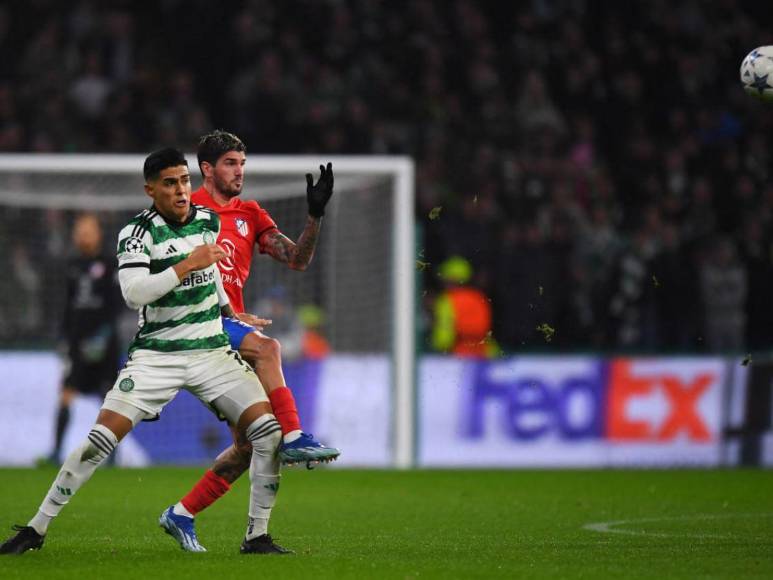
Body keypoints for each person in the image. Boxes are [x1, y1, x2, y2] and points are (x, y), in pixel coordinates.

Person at [0, 148, 290, 555]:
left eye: (185, 181)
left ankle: (256, 536)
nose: (180, 190)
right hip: (158, 355)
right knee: (98, 440)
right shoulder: (136, 233)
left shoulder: (207, 220)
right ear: (150, 189)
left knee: (268, 434)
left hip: (211, 351)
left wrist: (231, 311)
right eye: (169, 183)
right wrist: (188, 264)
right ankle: (36, 529)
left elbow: (212, 275)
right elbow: (135, 294)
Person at [158, 131, 339, 551]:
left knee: (253, 442)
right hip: (195, 326)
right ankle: (297, 436)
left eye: (242, 163)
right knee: (269, 348)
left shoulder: (251, 213)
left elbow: (297, 259)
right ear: (207, 169)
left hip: (227, 332)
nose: (239, 171)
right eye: (230, 163)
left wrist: (315, 216)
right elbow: (162, 271)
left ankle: (189, 516)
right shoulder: (184, 211)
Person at [48, 213, 121, 464]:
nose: (83, 235)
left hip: (105, 342)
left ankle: (112, 457)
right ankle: (56, 452)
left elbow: (117, 304)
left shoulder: (110, 264)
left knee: (109, 397)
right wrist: (63, 338)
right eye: (79, 231)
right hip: (77, 344)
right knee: (67, 392)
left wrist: (104, 336)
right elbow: (67, 307)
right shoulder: (71, 265)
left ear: (98, 234)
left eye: (88, 230)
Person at [431, 255, 498, 357]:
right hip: (484, 353)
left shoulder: (448, 299)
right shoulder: (478, 297)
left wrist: (438, 351)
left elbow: (444, 336)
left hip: (458, 356)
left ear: (451, 279)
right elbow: (485, 327)